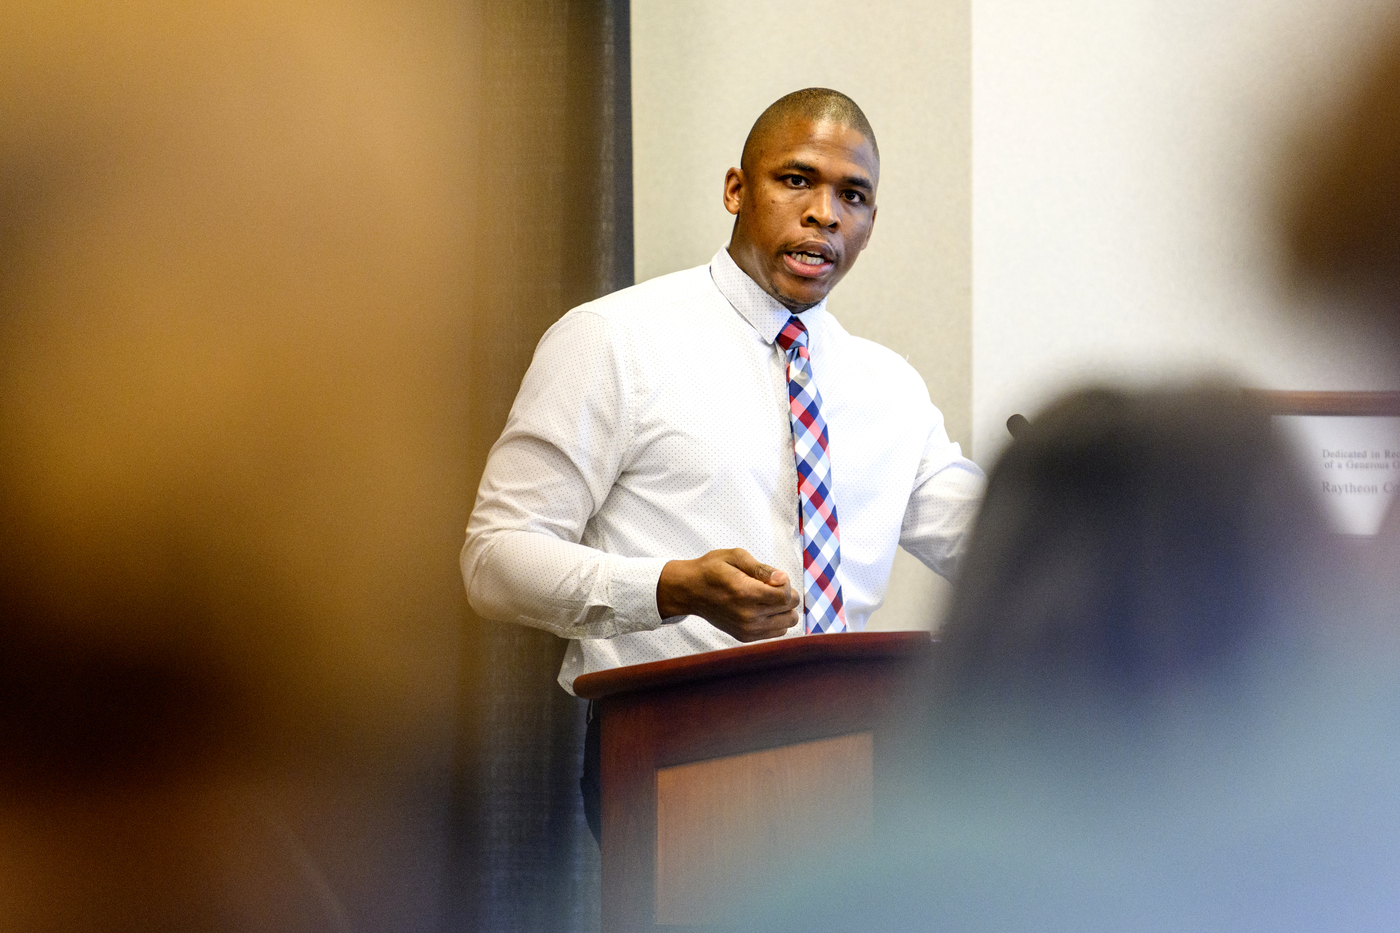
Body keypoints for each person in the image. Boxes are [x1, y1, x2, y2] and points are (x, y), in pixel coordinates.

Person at [461, 88, 984, 839]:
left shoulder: (890, 387)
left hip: (861, 761)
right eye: (797, 179)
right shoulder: (613, 340)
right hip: (674, 751)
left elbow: (989, 540)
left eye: (854, 195)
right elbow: (493, 559)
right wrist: (669, 586)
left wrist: (1084, 505)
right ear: (737, 189)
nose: (825, 213)